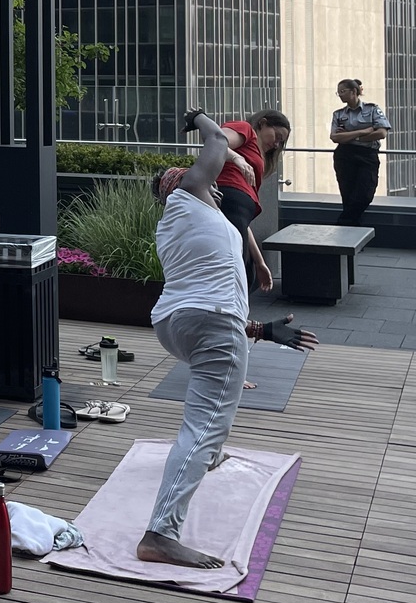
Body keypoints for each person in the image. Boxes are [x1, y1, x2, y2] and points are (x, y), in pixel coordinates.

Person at [137, 113, 318, 570]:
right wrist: (195, 117)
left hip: (178, 324)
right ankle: (161, 533)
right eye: (204, 178)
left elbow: (209, 289)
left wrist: (259, 330)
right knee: (203, 427)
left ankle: (208, 456)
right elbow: (217, 137)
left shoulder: (185, 226)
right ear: (186, 185)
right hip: (209, 324)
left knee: (210, 410)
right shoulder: (190, 198)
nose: (217, 183)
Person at [182, 107, 290, 292]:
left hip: (237, 207)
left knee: (245, 272)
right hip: (229, 196)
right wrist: (238, 158)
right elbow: (217, 142)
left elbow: (241, 222)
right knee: (234, 271)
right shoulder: (246, 129)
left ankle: (236, 318)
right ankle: (233, 319)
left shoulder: (255, 160)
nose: (277, 144)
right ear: (263, 123)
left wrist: (259, 261)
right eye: (277, 136)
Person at [329, 80, 389, 227]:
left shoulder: (372, 109)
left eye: (343, 91)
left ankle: (343, 224)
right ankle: (350, 234)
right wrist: (363, 131)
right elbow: (335, 137)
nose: (340, 95)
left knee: (365, 192)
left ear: (353, 91)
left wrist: (351, 136)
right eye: (338, 92)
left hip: (367, 154)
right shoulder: (338, 114)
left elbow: (381, 132)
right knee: (347, 194)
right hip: (345, 155)